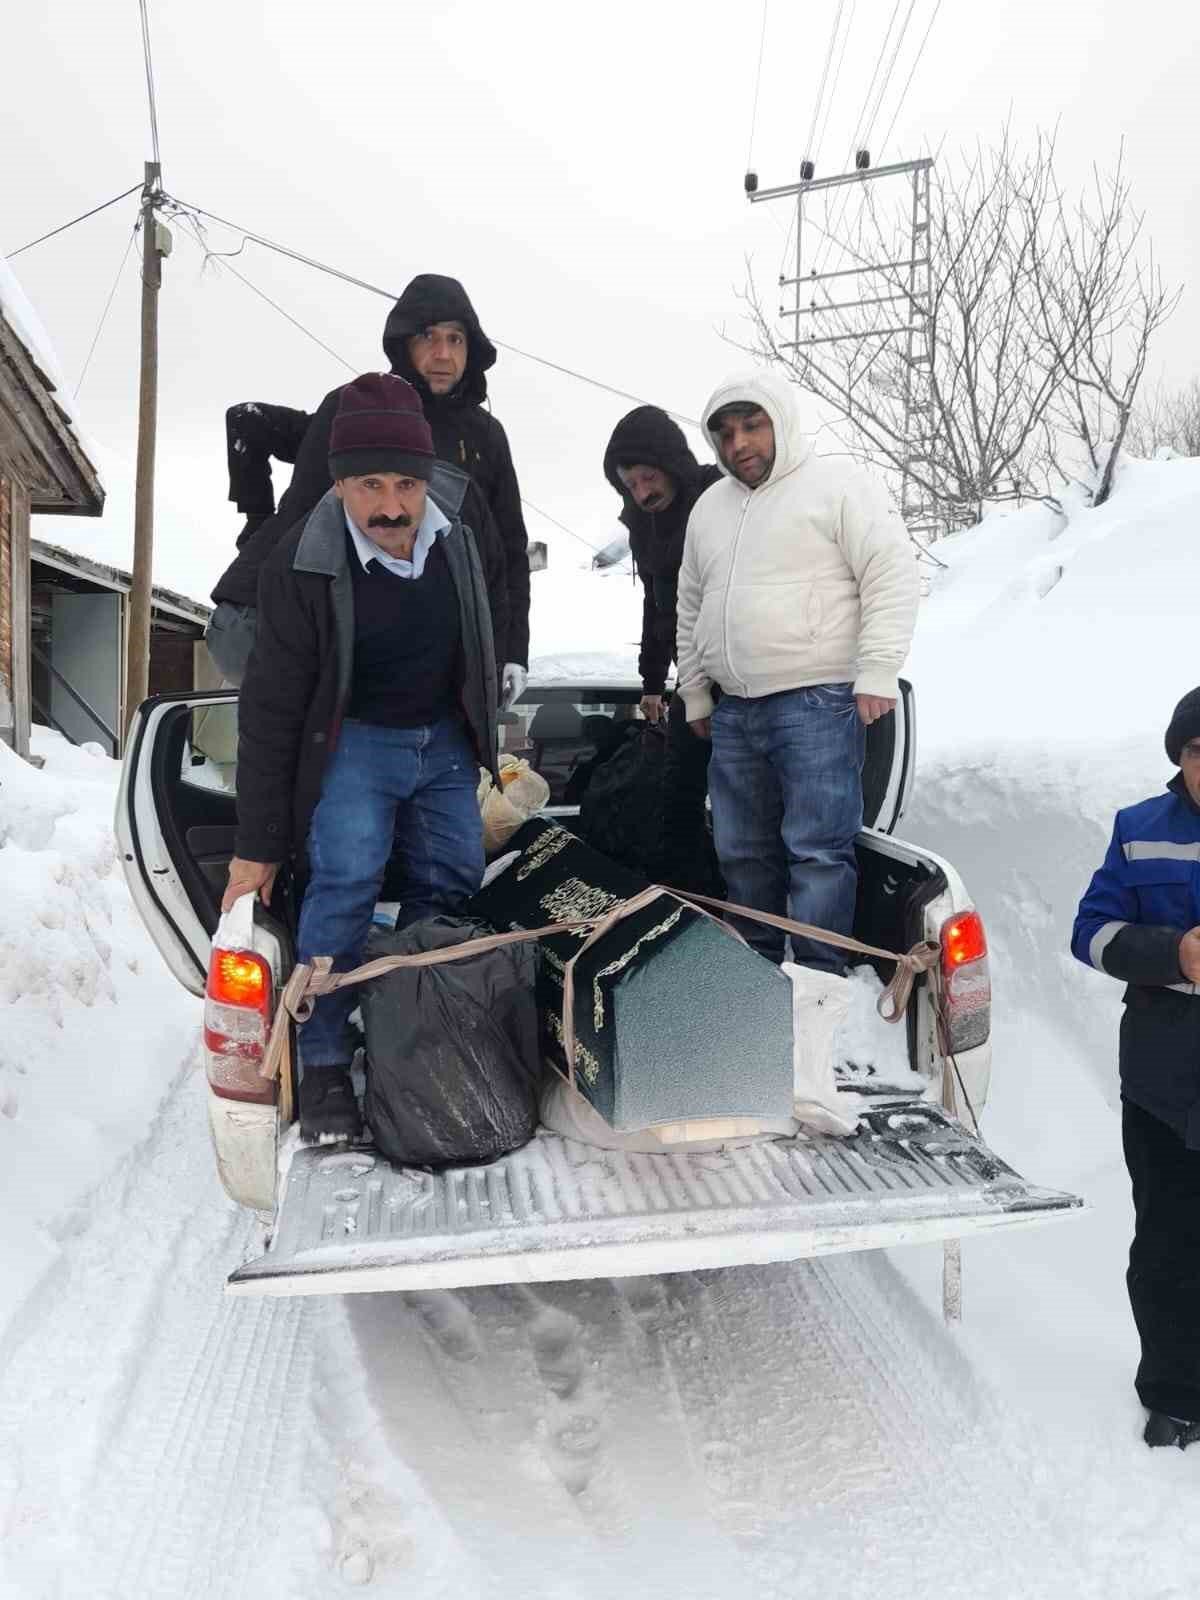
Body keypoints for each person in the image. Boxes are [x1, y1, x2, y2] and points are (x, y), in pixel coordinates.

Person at [221, 373, 500, 1144]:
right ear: (338, 481)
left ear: (427, 479)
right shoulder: (298, 564)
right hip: (356, 740)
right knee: (343, 887)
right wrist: (256, 849)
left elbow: (490, 620)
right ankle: (322, 1058)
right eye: (368, 484)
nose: (390, 506)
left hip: (441, 737)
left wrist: (489, 724)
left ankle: (414, 1023)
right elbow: (271, 711)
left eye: (406, 483)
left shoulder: (461, 526)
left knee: (451, 880)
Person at [675, 369, 919, 972]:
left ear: (779, 420)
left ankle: (818, 983)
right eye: (725, 433)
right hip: (735, 711)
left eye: (752, 426)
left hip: (817, 703)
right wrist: (695, 692)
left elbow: (891, 570)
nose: (739, 445)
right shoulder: (708, 507)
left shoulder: (836, 484)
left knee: (816, 852)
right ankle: (757, 975)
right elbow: (689, 604)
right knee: (741, 853)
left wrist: (879, 669)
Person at [209, 274, 530, 702]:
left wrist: (513, 652)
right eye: (428, 337)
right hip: (303, 623)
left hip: (416, 638)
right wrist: (257, 521)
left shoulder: (485, 436)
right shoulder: (356, 408)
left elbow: (509, 550)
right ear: (404, 343)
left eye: (455, 340)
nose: (442, 354)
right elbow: (254, 433)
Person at [1072, 688, 1200, 1450]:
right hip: (1162, 1081)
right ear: (1181, 758)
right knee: (1167, 1242)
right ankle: (1176, 1392)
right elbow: (1092, 932)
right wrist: (1173, 954)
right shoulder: (1139, 830)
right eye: (1198, 752)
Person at [602, 405, 722, 893]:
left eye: (648, 478)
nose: (643, 492)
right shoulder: (643, 525)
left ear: (671, 464)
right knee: (678, 799)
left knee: (744, 809)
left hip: (741, 678)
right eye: (630, 485)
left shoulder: (719, 496)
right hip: (690, 683)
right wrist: (652, 681)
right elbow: (655, 605)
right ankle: (688, 899)